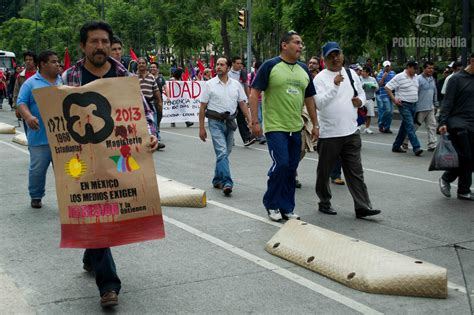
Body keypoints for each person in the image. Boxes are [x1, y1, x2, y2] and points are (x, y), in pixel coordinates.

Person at [63, 21, 158, 308]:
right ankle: (108, 286)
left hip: (117, 157)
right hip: (81, 161)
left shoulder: (123, 75)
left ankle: (91, 252)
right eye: (94, 41)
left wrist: (151, 134)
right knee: (93, 214)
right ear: (83, 46)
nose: (100, 46)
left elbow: (145, 110)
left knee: (110, 213)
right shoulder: (70, 76)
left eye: (104, 41)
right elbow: (58, 117)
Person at [249, 31, 319, 221]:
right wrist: (255, 121)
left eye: (301, 43)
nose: (300, 46)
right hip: (275, 127)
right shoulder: (270, 66)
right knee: (281, 164)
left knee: (291, 168)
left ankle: (287, 207)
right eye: (297, 42)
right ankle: (271, 204)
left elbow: (310, 98)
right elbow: (254, 93)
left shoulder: (303, 69)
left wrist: (315, 125)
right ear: (284, 45)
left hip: (295, 127)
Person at [313, 41, 381, 219]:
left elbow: (362, 94)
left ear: (342, 55)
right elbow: (319, 104)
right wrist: (334, 86)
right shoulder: (320, 78)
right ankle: (324, 201)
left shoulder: (351, 73)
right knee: (324, 172)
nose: (335, 58)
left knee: (355, 172)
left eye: (338, 54)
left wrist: (360, 101)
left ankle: (362, 206)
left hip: (351, 131)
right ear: (324, 59)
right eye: (331, 56)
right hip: (329, 134)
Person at [16, 50, 62, 209]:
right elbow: (21, 103)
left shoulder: (62, 81)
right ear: (42, 64)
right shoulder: (31, 83)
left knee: (65, 171)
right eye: (54, 62)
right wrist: (28, 117)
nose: (58, 64)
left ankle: (66, 197)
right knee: (37, 169)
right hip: (39, 136)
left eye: (58, 61)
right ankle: (36, 196)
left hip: (61, 138)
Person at [198, 56, 251, 196]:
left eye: (222, 65)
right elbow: (202, 107)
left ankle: (217, 179)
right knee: (222, 152)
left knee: (225, 153)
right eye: (217, 64)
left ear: (228, 68)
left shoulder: (236, 85)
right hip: (215, 122)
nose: (218, 67)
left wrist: (251, 121)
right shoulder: (209, 84)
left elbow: (242, 104)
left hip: (230, 123)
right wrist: (201, 128)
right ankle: (227, 182)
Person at [438, 53, 474, 201]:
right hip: (458, 123)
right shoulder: (456, 79)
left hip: (472, 123)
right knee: (466, 156)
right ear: (472, 61)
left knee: (471, 159)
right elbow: (447, 102)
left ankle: (458, 186)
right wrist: (442, 122)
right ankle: (454, 183)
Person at [385, 61, 423, 156]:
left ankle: (396, 146)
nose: (415, 71)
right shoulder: (400, 76)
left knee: (405, 127)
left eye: (416, 69)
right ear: (408, 67)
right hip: (404, 104)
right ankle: (416, 147)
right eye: (414, 69)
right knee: (410, 125)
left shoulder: (415, 77)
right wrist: (394, 99)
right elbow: (387, 87)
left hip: (413, 104)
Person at [402, 61, 438, 151]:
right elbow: (414, 93)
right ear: (424, 69)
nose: (431, 70)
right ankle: (405, 141)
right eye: (429, 68)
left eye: (432, 68)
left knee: (432, 126)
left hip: (430, 107)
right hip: (420, 108)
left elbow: (434, 92)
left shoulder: (432, 79)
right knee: (414, 126)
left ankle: (432, 145)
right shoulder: (418, 79)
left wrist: (435, 103)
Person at [137, 57, 165, 150]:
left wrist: (160, 102)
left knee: (153, 123)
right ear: (137, 65)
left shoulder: (151, 77)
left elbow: (156, 91)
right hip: (138, 105)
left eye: (143, 63)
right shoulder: (133, 77)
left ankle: (155, 142)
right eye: (139, 63)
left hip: (150, 104)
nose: (141, 64)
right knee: (139, 125)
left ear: (146, 65)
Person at [229, 56, 256, 146]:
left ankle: (247, 138)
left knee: (241, 119)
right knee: (229, 120)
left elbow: (246, 86)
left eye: (241, 63)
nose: (240, 65)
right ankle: (229, 138)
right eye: (237, 63)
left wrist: (248, 98)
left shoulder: (243, 73)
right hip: (230, 100)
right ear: (232, 63)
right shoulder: (228, 74)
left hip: (240, 100)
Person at [14, 51, 38, 134]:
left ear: (35, 61)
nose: (28, 61)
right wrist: (17, 108)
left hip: (39, 107)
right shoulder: (20, 77)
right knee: (28, 131)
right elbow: (16, 93)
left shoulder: (41, 74)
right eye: (26, 59)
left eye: (30, 59)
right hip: (25, 108)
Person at [376, 61, 396, 133]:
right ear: (383, 67)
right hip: (383, 94)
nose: (387, 67)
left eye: (388, 66)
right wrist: (383, 77)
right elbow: (379, 84)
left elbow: (396, 82)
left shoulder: (393, 73)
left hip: (392, 95)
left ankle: (387, 127)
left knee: (390, 112)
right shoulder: (380, 74)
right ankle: (381, 123)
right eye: (386, 66)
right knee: (387, 110)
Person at [360, 65, 379, 134]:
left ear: (368, 73)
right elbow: (357, 86)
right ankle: (358, 126)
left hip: (370, 98)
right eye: (362, 71)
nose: (362, 72)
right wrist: (363, 85)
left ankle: (367, 128)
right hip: (361, 98)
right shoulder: (359, 78)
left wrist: (374, 86)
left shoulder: (372, 79)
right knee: (360, 113)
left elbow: (377, 88)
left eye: (364, 71)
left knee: (369, 114)